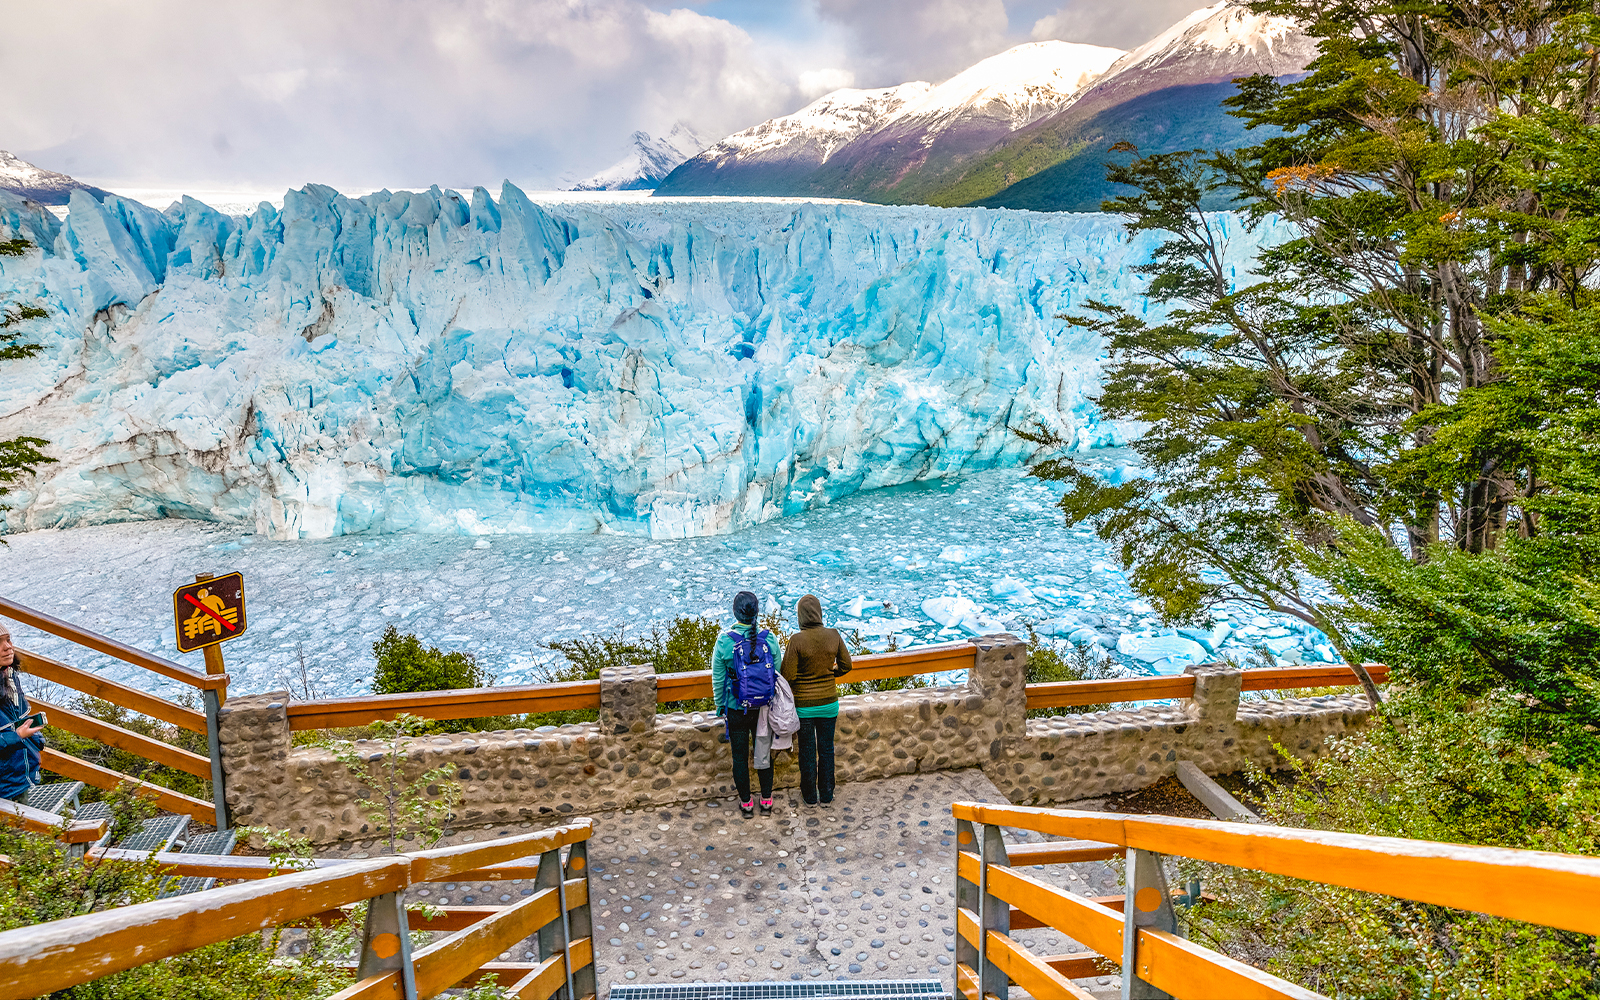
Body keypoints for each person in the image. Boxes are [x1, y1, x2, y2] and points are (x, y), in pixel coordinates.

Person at [711, 591, 781, 818]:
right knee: (763, 754)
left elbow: (718, 679)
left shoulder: (724, 642)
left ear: (735, 612)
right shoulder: (768, 638)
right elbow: (777, 673)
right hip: (763, 708)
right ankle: (767, 801)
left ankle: (747, 803)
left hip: (736, 707)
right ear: (757, 612)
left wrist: (720, 706)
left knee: (739, 758)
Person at [780, 594, 852, 805]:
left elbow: (787, 676)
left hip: (804, 707)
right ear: (819, 612)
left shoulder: (797, 640)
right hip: (829, 703)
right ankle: (827, 793)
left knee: (808, 752)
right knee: (827, 749)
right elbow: (847, 665)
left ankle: (810, 796)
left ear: (801, 615)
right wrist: (831, 674)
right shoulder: (834, 635)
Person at [0, 626, 45, 802]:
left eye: (8, 639)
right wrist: (17, 736)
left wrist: (34, 739)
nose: (7, 647)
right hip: (5, 785)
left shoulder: (8, 676)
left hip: (17, 777)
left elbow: (14, 718)